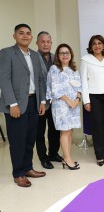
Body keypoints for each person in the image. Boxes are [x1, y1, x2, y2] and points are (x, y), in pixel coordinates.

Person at [0, 23, 46, 187]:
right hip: (16, 104)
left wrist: (42, 101)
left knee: (29, 139)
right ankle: (18, 173)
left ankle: (28, 168)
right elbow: (4, 80)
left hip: (34, 102)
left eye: (28, 33)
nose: (25, 36)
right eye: (21, 33)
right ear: (14, 36)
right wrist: (12, 103)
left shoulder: (35, 55)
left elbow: (40, 79)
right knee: (18, 140)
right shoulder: (6, 53)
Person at [80, 35, 104, 166]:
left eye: (100, 43)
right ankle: (99, 155)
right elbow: (83, 81)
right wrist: (86, 101)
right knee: (97, 126)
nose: (97, 46)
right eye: (94, 43)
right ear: (90, 46)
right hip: (94, 97)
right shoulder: (86, 60)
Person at [46, 43, 81, 170]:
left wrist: (77, 99)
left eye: (67, 52)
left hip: (74, 105)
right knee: (64, 131)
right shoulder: (54, 69)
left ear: (71, 54)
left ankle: (68, 156)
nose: (65, 55)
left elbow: (79, 87)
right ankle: (66, 159)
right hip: (61, 105)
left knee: (70, 130)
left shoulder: (74, 70)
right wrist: (69, 101)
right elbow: (55, 90)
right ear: (58, 55)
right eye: (62, 53)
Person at [35, 31, 62, 169]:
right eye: (42, 41)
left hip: (55, 101)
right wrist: (41, 100)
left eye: (48, 42)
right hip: (39, 101)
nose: (45, 44)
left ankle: (53, 153)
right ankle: (43, 157)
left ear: (51, 43)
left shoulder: (56, 58)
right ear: (37, 43)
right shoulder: (33, 57)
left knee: (54, 129)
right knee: (39, 131)